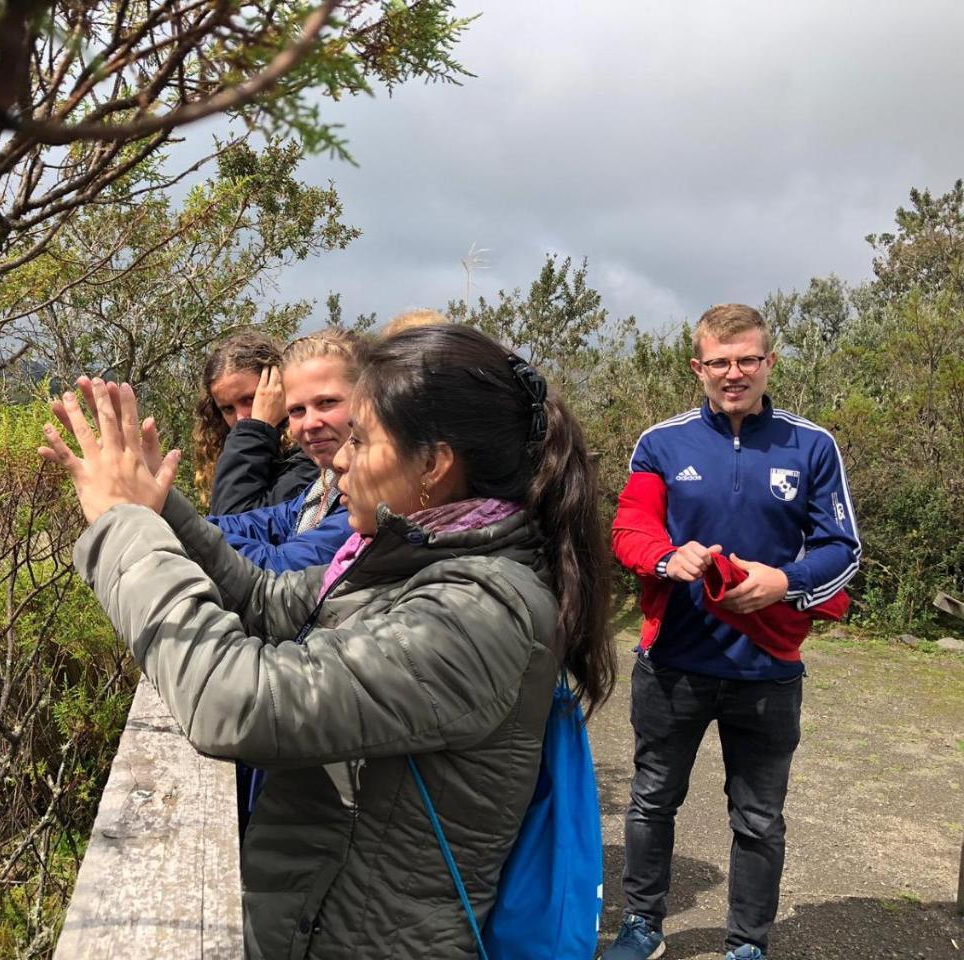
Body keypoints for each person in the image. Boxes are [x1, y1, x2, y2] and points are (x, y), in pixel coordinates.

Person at [38, 324, 615, 959]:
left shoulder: (477, 610)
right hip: (324, 919)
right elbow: (267, 600)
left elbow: (240, 704)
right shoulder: (410, 558)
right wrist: (161, 510)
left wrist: (124, 530)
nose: (338, 458)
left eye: (361, 440)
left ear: (433, 466)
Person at [602, 304, 861, 960]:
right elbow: (630, 529)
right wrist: (668, 557)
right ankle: (642, 926)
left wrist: (785, 582)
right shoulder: (662, 442)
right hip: (675, 663)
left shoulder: (812, 444)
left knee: (759, 819)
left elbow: (843, 549)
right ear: (699, 368)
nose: (734, 372)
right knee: (652, 801)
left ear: (770, 362)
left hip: (768, 668)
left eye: (748, 359)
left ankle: (747, 943)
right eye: (719, 361)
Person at [206, 329, 360, 574]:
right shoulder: (323, 483)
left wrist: (255, 429)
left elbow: (278, 567)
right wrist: (164, 512)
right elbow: (255, 523)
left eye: (327, 402)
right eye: (297, 409)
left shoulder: (363, 490)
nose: (242, 416)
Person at [193, 331, 316, 513]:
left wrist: (254, 430)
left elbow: (234, 524)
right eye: (228, 409)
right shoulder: (240, 453)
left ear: (279, 389)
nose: (241, 418)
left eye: (250, 399)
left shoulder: (312, 452)